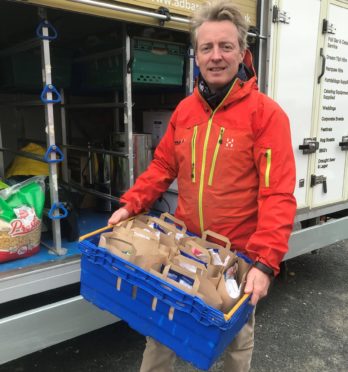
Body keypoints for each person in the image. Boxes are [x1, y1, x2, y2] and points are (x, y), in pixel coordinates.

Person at [109, 0, 296, 370]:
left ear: (242, 52)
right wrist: (132, 204)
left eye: (226, 46)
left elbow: (277, 192)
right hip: (184, 246)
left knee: (234, 343)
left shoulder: (266, 115)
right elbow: (163, 165)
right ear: (195, 55)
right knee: (162, 331)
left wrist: (265, 261)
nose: (216, 56)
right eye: (206, 47)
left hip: (238, 259)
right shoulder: (185, 111)